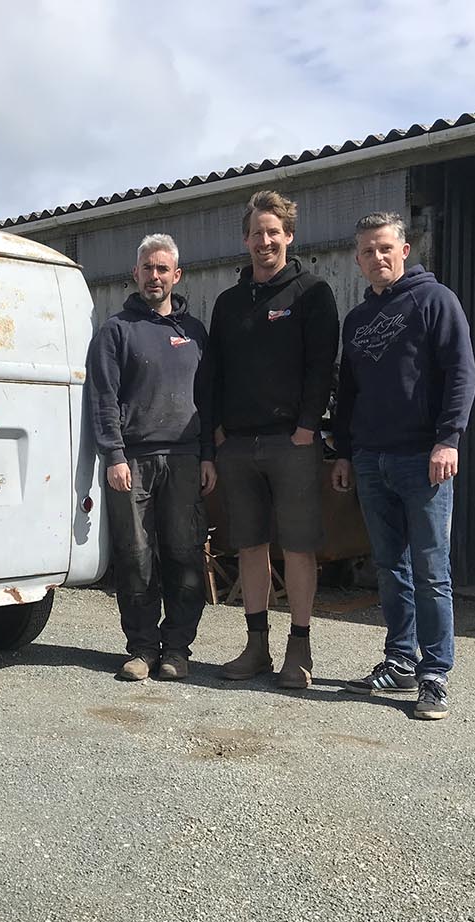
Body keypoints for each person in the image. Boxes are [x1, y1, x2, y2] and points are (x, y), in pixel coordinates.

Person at [331, 212, 475, 721]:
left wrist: (448, 440)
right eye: (367, 251)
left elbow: (462, 371)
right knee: (390, 567)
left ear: (405, 249)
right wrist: (345, 451)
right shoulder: (357, 320)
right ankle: (399, 659)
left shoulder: (435, 301)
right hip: (372, 459)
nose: (377, 258)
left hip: (424, 458)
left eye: (385, 248)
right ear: (358, 258)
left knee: (430, 569)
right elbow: (347, 394)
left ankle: (435, 673)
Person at [198, 190, 339, 688]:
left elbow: (322, 366)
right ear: (246, 239)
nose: (265, 241)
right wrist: (216, 431)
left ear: (289, 237)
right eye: (257, 233)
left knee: (298, 549)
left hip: (291, 443)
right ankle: (255, 646)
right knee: (250, 547)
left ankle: (298, 651)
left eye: (273, 232)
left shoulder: (311, 293)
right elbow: (212, 373)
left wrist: (307, 426)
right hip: (237, 446)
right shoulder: (229, 303)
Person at [86, 234, 214, 681]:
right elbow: (102, 398)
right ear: (135, 274)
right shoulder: (115, 331)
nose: (155, 276)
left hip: (184, 458)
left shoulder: (194, 332)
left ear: (176, 276)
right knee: (135, 556)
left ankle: (177, 648)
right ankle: (141, 648)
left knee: (184, 553)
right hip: (133, 462)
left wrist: (207, 455)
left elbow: (208, 398)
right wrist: (114, 455)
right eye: (148, 268)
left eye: (163, 269)